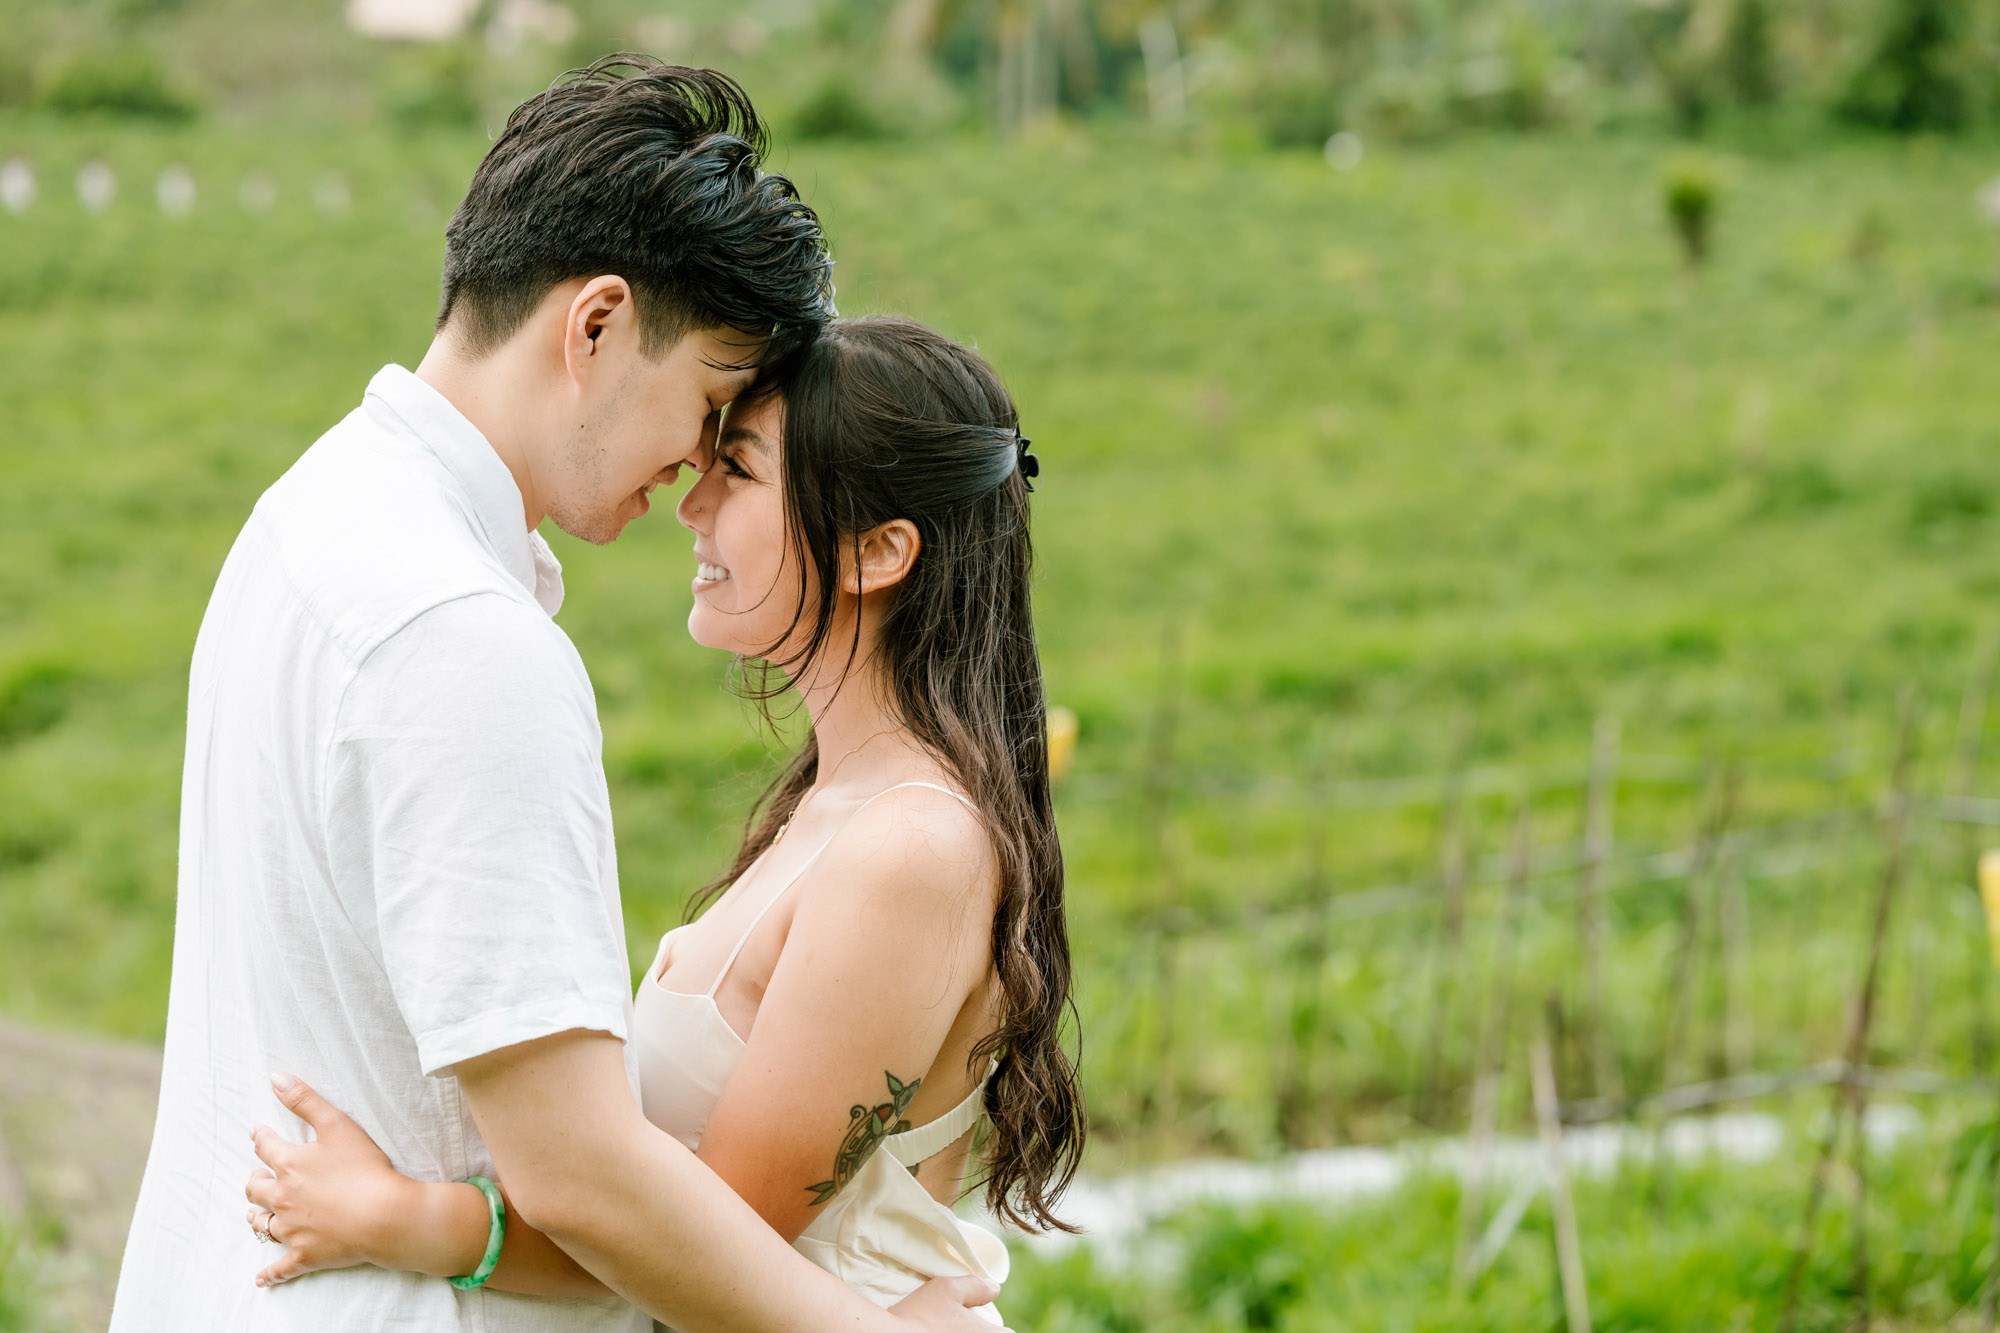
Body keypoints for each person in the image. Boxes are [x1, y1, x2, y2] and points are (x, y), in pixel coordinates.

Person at [109, 56, 1000, 1332]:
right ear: (593, 327)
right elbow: (581, 1174)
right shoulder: (463, 640)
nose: (692, 471)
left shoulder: (306, 517)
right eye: (707, 404)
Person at [236, 315, 1084, 1325]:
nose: (692, 502)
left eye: (740, 470)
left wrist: (407, 1218)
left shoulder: (911, 851)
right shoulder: (841, 809)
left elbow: (699, 1243)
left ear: (876, 551)